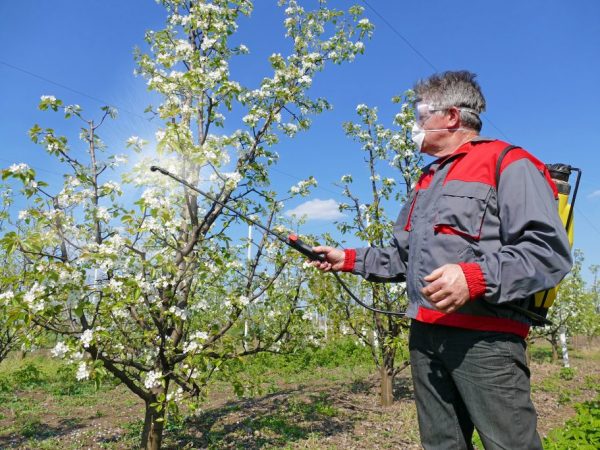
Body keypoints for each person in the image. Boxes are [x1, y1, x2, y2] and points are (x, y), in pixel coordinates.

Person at [312, 70, 572, 449]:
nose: (415, 125)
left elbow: (549, 252)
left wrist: (475, 277)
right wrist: (347, 258)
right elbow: (404, 258)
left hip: (486, 342)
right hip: (425, 337)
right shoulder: (427, 180)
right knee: (441, 444)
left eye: (420, 115)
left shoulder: (508, 162)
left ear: (451, 116)